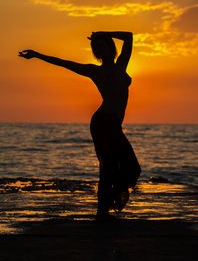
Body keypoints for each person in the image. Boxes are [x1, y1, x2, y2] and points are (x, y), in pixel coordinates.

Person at [18, 31, 141, 219]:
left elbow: (129, 36)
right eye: (96, 47)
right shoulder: (95, 71)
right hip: (102, 122)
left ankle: (108, 203)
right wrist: (37, 55)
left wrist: (102, 32)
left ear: (111, 47)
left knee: (132, 169)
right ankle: (102, 212)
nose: (99, 49)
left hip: (114, 124)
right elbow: (64, 63)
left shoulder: (121, 65)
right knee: (108, 167)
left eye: (103, 45)